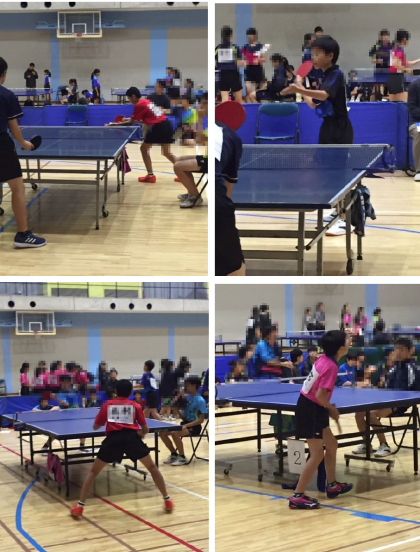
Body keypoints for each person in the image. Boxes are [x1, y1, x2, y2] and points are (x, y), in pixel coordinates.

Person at [281, 36, 354, 237]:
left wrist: (300, 88)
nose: (312, 57)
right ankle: (337, 211)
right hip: (327, 127)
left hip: (340, 128)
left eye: (316, 53)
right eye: (312, 53)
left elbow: (323, 95)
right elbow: (313, 103)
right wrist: (300, 87)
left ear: (330, 56)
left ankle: (348, 219)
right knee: (327, 172)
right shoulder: (324, 77)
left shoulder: (336, 74)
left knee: (340, 173)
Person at [70, 379, 173, 516]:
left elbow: (95, 427)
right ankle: (167, 500)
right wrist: (140, 434)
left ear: (116, 392)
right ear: (130, 393)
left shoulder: (108, 405)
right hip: (131, 438)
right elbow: (145, 429)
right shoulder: (135, 406)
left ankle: (80, 506)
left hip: (113, 440)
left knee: (93, 472)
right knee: (152, 468)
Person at [289, 330, 353, 509]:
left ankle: (332, 485)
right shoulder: (331, 366)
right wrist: (331, 408)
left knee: (331, 444)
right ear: (341, 349)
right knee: (317, 454)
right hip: (311, 409)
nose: (350, 341)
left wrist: (326, 407)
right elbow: (320, 395)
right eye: (347, 340)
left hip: (314, 406)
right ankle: (297, 496)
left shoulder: (323, 359)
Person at [0, 57, 47, 248]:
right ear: (3, 75)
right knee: (18, 188)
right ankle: (22, 235)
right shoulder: (6, 95)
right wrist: (24, 144)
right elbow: (13, 126)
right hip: (1, 145)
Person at [353, 338, 420, 458]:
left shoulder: (413, 369)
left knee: (371, 414)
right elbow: (385, 388)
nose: (398, 352)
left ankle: (384, 445)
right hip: (387, 401)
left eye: (402, 349)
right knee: (359, 413)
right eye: (396, 349)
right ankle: (366, 443)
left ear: (411, 351)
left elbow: (413, 392)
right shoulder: (393, 369)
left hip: (401, 404)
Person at [107, 87, 175, 184]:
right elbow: (146, 120)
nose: (130, 101)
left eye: (129, 99)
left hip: (158, 127)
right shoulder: (146, 102)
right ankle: (183, 172)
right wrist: (128, 119)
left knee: (143, 149)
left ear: (133, 96)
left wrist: (113, 125)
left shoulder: (139, 104)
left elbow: (130, 123)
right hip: (166, 125)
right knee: (166, 153)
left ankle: (150, 176)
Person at [215, 121, 245, 276]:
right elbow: (228, 186)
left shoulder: (225, 135)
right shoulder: (230, 136)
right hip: (219, 201)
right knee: (233, 265)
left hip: (217, 199)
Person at [160, 376, 207, 466]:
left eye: (188, 385)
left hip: (195, 427)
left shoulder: (200, 401)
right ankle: (174, 454)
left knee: (174, 433)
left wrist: (186, 425)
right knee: (162, 433)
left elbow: (201, 420)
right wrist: (177, 410)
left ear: (193, 386)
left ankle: (182, 457)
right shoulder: (187, 398)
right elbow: (184, 418)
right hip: (185, 424)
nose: (186, 387)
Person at [173, 93, 208, 208]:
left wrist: (200, 118)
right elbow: (200, 139)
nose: (201, 107)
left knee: (178, 166)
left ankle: (195, 196)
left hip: (215, 161)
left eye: (204, 104)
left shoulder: (216, 122)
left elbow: (200, 140)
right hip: (208, 157)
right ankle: (191, 191)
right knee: (179, 160)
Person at [388, 30, 420, 102]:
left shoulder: (395, 49)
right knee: (406, 102)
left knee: (395, 102)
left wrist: (418, 60)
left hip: (393, 77)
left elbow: (406, 63)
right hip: (396, 78)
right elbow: (395, 64)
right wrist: (407, 70)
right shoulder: (399, 50)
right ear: (404, 39)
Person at [215, 26, 245, 103]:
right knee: (238, 101)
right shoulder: (235, 48)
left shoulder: (217, 48)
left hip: (223, 75)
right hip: (233, 75)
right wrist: (244, 63)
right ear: (231, 35)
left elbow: (214, 64)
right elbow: (238, 63)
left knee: (224, 100)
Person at [243, 27, 266, 102]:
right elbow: (244, 59)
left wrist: (257, 60)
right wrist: (246, 62)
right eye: (248, 35)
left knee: (258, 92)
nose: (250, 36)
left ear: (255, 35)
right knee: (248, 89)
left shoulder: (261, 46)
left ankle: (257, 105)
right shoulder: (245, 47)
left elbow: (264, 59)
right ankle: (248, 106)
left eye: (251, 34)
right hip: (249, 70)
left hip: (258, 69)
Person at [407, 76, 420, 181]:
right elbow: (412, 108)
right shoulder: (415, 85)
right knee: (419, 133)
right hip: (417, 122)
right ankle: (419, 171)